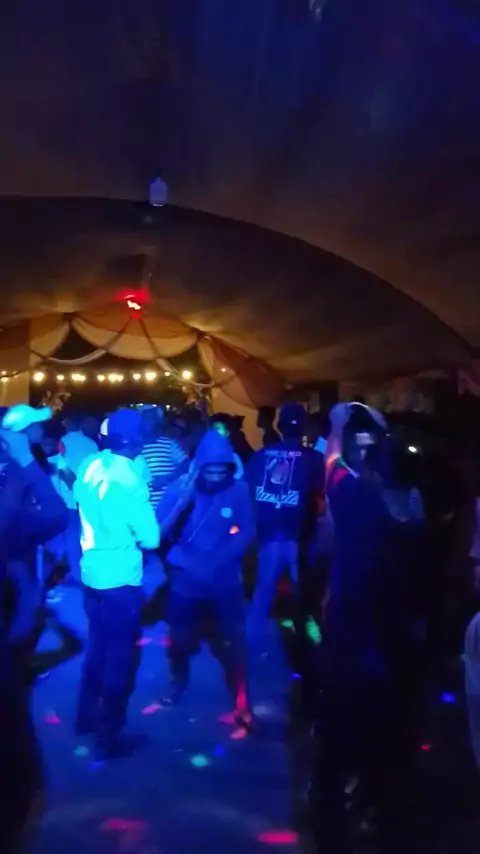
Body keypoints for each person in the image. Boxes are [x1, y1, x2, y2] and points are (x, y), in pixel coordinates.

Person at [310, 403, 427, 853]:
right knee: (365, 729)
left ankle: (346, 814)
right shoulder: (373, 498)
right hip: (370, 632)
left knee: (350, 732)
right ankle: (356, 813)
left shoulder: (358, 492)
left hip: (361, 629)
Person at [74, 408, 160, 761]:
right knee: (120, 658)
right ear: (137, 440)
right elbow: (151, 539)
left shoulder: (89, 465)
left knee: (97, 648)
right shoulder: (131, 479)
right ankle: (108, 737)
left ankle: (85, 717)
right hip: (120, 581)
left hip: (90, 574)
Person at [156, 428, 254, 725]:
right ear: (198, 467)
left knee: (234, 639)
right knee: (179, 638)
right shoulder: (179, 489)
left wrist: (217, 560)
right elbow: (158, 532)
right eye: (208, 471)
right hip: (186, 580)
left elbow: (247, 531)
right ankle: (178, 683)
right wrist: (184, 560)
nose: (214, 478)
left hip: (226, 580)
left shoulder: (238, 490)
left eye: (220, 471)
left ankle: (242, 698)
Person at [1, 406, 69, 686]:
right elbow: (55, 515)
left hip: (24, 546)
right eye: (36, 426)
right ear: (20, 434)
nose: (42, 430)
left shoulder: (29, 459)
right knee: (23, 612)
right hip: (16, 553)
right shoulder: (17, 466)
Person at [246, 403, 325, 641]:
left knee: (264, 592)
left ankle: (251, 642)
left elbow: (246, 490)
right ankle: (307, 642)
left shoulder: (260, 457)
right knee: (304, 594)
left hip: (268, 535)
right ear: (304, 427)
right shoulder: (314, 459)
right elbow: (322, 495)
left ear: (279, 426)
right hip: (300, 538)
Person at [140, 405, 189, 510]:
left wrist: (167, 478)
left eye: (152, 418)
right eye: (145, 418)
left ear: (158, 421)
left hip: (169, 506)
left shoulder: (168, 443)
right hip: (145, 508)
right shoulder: (136, 447)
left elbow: (185, 464)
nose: (148, 422)